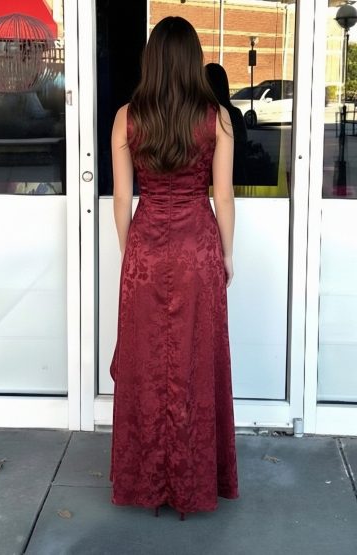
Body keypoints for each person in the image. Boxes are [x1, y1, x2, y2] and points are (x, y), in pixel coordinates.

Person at [109, 16, 238, 520]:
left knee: (147, 365)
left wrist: (132, 253)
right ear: (192, 61)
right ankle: (192, 480)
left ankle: (147, 481)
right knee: (196, 363)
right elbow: (222, 196)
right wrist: (227, 254)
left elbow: (123, 198)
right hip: (197, 249)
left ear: (152, 61)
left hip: (147, 248)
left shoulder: (127, 117)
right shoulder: (217, 118)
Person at [205, 62, 249, 185]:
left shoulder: (206, 117)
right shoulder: (234, 114)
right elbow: (242, 146)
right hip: (236, 177)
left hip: (212, 181)